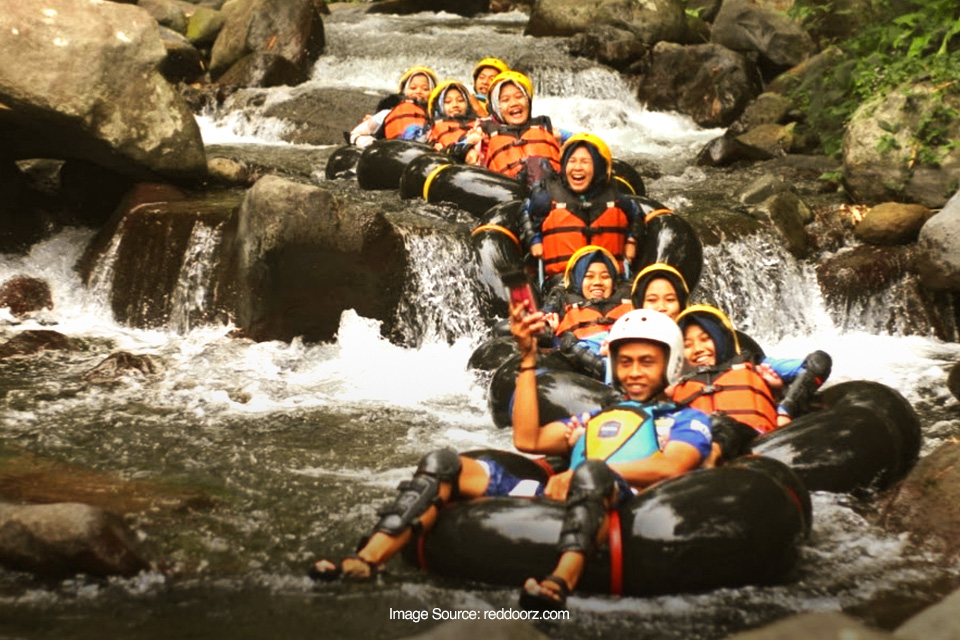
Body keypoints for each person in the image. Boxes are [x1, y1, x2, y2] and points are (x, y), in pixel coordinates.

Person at [310, 307, 712, 614]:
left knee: (590, 472)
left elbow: (672, 466)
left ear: (669, 366)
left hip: (623, 502)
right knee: (443, 462)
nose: (635, 372)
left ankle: (558, 584)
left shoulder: (686, 419)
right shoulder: (594, 418)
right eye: (626, 362)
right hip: (560, 493)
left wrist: (584, 473)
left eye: (647, 362)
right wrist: (526, 358)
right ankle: (366, 559)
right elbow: (528, 438)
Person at [672, 304, 832, 437]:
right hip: (705, 451)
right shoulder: (674, 383)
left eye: (705, 339)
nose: (698, 349)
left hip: (761, 442)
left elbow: (817, 364)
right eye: (687, 345)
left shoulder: (757, 365)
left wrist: (785, 407)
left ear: (719, 339)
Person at [519, 133, 641, 279]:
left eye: (585, 162)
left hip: (609, 282)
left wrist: (632, 240)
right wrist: (534, 240)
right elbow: (525, 211)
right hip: (562, 283)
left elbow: (637, 215)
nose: (577, 167)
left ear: (599, 166)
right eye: (572, 161)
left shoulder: (617, 199)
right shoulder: (545, 198)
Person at [541, 245, 632, 379]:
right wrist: (552, 334)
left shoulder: (630, 303)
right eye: (589, 277)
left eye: (605, 277)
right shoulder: (561, 306)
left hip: (623, 365)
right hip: (580, 371)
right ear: (577, 281)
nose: (597, 282)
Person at [474, 70, 570, 188]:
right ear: (496, 107)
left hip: (551, 188)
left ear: (528, 102)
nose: (514, 103)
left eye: (519, 97)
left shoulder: (545, 128)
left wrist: (560, 143)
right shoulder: (482, 132)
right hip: (509, 193)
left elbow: (581, 140)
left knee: (536, 164)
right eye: (505, 100)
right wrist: (469, 146)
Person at [348, 66, 438, 148]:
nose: (418, 91)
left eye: (425, 89)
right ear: (404, 91)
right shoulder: (386, 114)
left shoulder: (436, 118)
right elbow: (356, 134)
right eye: (413, 88)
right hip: (390, 152)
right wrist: (373, 145)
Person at [425, 80, 483, 162]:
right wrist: (468, 142)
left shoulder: (479, 123)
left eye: (460, 100)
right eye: (448, 102)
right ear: (439, 106)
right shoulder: (434, 127)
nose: (455, 105)